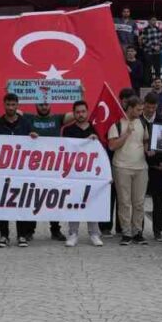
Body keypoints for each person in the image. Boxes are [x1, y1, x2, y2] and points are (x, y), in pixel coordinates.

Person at [0, 93, 37, 247]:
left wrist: (34, 137)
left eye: (13, 104)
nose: (10, 107)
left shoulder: (26, 124)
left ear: (17, 105)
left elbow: (34, 146)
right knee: (3, 202)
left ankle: (21, 235)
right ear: (4, 105)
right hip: (2, 171)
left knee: (20, 202)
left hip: (21, 170)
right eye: (8, 104)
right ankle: (4, 235)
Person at [107, 94, 149, 245]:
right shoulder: (116, 124)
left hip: (141, 168)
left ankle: (137, 232)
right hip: (121, 167)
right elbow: (112, 146)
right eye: (138, 109)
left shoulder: (143, 122)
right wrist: (127, 133)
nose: (140, 112)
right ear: (130, 108)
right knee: (124, 202)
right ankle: (126, 233)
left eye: (141, 109)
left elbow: (145, 141)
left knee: (139, 203)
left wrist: (148, 150)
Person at [61, 99, 104, 247]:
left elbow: (103, 150)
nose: (80, 114)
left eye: (83, 111)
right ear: (73, 114)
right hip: (74, 172)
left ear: (87, 112)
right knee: (74, 202)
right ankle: (73, 233)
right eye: (77, 112)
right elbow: (67, 149)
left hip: (92, 173)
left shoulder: (95, 128)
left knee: (93, 202)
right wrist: (86, 141)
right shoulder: (67, 130)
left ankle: (94, 233)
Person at [31, 100, 67, 241]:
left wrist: (81, 94)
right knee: (33, 197)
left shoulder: (57, 118)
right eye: (41, 104)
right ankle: (29, 230)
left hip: (53, 165)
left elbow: (77, 114)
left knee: (53, 197)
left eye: (46, 104)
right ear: (35, 105)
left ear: (50, 104)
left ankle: (55, 229)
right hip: (34, 165)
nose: (44, 107)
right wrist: (9, 91)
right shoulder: (29, 118)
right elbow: (13, 111)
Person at [143, 93, 162, 241]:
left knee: (158, 200)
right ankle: (138, 231)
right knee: (138, 201)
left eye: (153, 108)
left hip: (158, 167)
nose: (150, 110)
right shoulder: (138, 120)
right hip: (140, 165)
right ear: (144, 104)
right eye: (148, 107)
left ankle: (158, 231)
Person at [138, 16, 162, 85]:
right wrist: (153, 47)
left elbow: (161, 39)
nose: (154, 21)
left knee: (157, 67)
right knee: (147, 68)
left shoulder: (158, 29)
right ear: (149, 21)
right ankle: (147, 83)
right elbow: (144, 40)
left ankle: (157, 83)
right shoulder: (145, 30)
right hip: (148, 51)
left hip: (157, 52)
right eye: (153, 20)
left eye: (155, 20)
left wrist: (159, 46)